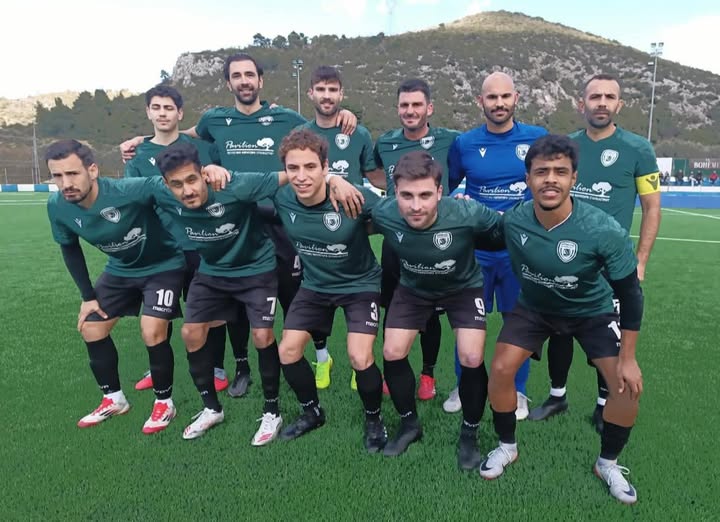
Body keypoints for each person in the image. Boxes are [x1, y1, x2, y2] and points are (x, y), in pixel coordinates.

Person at [121, 54, 358, 390]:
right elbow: (180, 133)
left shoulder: (286, 117)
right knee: (236, 298)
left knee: (295, 295)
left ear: (261, 80)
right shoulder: (214, 120)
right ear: (228, 83)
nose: (244, 80)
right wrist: (142, 140)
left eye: (250, 74)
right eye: (237, 75)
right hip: (233, 223)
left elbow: (317, 133)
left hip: (281, 220)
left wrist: (343, 115)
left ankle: (317, 355)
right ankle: (243, 366)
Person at [153, 140, 362, 441]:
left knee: (262, 336)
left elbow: (294, 175)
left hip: (256, 270)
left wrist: (333, 178)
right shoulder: (157, 190)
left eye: (191, 179)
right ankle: (211, 408)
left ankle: (272, 412)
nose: (187, 190)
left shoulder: (236, 185)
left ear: (203, 174)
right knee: (190, 333)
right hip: (212, 271)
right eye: (177, 184)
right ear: (165, 184)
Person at [481, 134, 644, 505]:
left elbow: (632, 294)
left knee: (625, 385)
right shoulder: (515, 220)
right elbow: (484, 234)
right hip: (535, 308)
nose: (550, 179)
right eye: (542, 172)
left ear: (574, 178)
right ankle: (507, 447)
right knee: (501, 369)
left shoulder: (603, 229)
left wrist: (629, 358)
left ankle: (608, 463)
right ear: (528, 179)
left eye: (560, 171)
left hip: (591, 311)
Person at [529, 74, 661, 433]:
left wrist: (641, 260)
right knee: (559, 331)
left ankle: (604, 405)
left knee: (606, 339)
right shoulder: (567, 146)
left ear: (620, 104)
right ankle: (557, 396)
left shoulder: (638, 149)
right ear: (581, 103)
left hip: (610, 265)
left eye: (609, 97)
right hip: (565, 259)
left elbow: (652, 207)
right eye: (595, 96)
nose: (601, 102)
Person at [372, 150, 504, 469]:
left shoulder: (466, 212)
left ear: (440, 192)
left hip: (463, 289)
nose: (416, 206)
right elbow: (344, 199)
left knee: (471, 356)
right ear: (394, 191)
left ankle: (469, 434)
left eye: (425, 195)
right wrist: (334, 181)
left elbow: (506, 229)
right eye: (407, 195)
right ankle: (409, 424)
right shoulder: (384, 211)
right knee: (392, 351)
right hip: (413, 289)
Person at [46, 139, 185, 434]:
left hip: (164, 266)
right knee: (91, 327)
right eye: (57, 176)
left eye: (72, 173)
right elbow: (69, 248)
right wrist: (87, 297)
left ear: (92, 170)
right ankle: (114, 399)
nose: (66, 183)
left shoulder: (126, 190)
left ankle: (164, 403)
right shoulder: (57, 206)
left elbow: (165, 184)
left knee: (152, 329)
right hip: (121, 270)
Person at [267, 129, 386, 451]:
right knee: (288, 351)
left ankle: (374, 419)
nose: (301, 176)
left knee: (359, 356)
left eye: (310, 167)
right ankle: (312, 412)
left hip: (360, 284)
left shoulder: (353, 196)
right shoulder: (281, 197)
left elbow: (396, 214)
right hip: (316, 285)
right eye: (293, 168)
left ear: (324, 167)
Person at [124, 84, 247, 397]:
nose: (162, 114)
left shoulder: (201, 149)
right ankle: (157, 368)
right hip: (161, 248)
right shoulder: (137, 155)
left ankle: (216, 368)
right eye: (156, 108)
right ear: (148, 112)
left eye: (169, 108)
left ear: (180, 113)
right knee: (160, 310)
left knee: (209, 311)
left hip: (199, 244)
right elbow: (136, 202)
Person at [447, 71, 548, 419]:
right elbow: (446, 187)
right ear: (481, 101)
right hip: (475, 252)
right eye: (492, 97)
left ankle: (517, 391)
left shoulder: (536, 138)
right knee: (468, 323)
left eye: (505, 96)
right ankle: (464, 386)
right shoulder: (464, 143)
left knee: (517, 324)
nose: (499, 103)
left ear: (516, 98)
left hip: (519, 251)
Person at [372, 79, 461, 401]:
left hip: (435, 243)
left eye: (416, 105)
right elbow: (373, 172)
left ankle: (427, 374)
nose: (410, 111)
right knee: (392, 306)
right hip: (395, 242)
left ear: (429, 108)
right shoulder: (385, 143)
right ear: (398, 108)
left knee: (430, 312)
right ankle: (393, 368)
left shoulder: (450, 140)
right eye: (404, 105)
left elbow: (458, 173)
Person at [296, 65, 381, 390]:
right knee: (317, 298)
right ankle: (323, 359)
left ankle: (361, 362)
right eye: (321, 89)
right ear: (311, 93)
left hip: (351, 231)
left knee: (356, 296)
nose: (327, 95)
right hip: (313, 232)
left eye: (333, 90)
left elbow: (372, 176)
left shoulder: (358, 134)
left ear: (341, 94)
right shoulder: (301, 133)